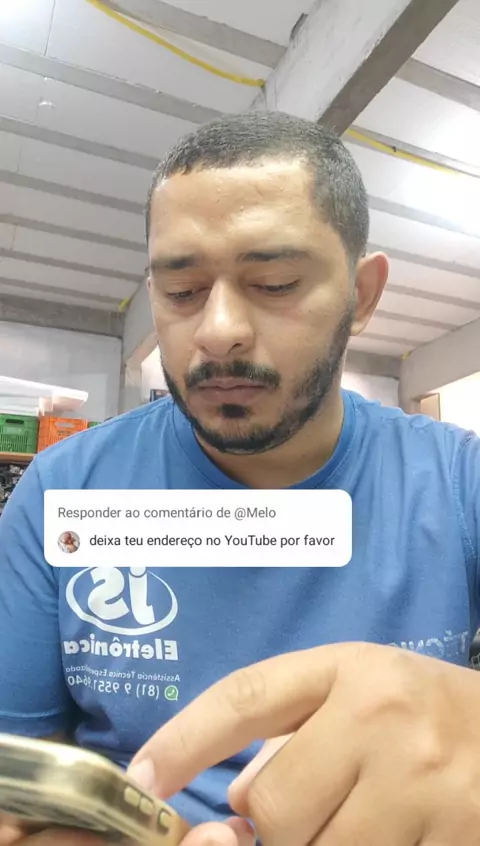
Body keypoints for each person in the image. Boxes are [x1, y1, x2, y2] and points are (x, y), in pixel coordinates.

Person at [0, 111, 479, 846]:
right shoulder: (64, 492)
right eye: (182, 291)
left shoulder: (460, 483)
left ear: (363, 295)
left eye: (275, 283)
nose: (219, 330)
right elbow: (16, 794)